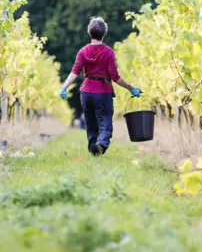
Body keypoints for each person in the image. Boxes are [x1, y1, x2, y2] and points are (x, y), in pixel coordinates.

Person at [59, 17, 142, 156]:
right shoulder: (108, 52)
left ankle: (94, 151)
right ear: (104, 33)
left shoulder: (83, 51)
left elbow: (75, 72)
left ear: (89, 32)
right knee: (105, 123)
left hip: (85, 91)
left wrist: (64, 87)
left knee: (90, 123)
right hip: (102, 91)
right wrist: (131, 88)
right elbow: (115, 77)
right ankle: (101, 144)